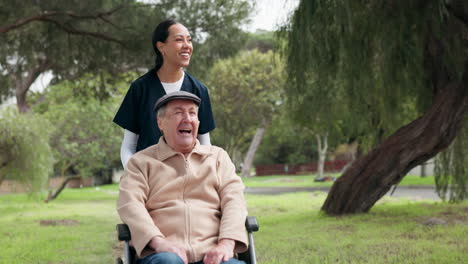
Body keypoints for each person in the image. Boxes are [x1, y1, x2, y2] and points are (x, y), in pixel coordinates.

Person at [117, 91, 248, 264]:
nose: (187, 118)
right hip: (161, 254)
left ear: (198, 122)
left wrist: (226, 243)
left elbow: (235, 201)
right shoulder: (140, 163)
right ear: (160, 122)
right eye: (178, 112)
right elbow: (130, 205)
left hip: (213, 253)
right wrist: (159, 242)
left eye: (192, 113)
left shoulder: (218, 158)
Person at [113, 19, 216, 168]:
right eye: (179, 40)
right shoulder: (140, 88)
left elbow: (205, 144)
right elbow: (128, 146)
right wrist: (135, 175)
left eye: (189, 40)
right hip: (148, 180)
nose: (187, 46)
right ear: (161, 47)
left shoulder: (199, 90)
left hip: (188, 180)